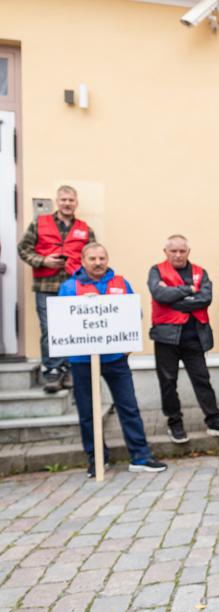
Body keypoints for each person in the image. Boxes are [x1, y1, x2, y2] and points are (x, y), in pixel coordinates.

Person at [58, 243, 167, 478]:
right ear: (83, 261)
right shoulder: (69, 287)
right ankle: (96, 459)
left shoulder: (120, 283)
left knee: (128, 406)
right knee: (87, 411)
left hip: (115, 357)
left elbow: (134, 313)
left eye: (102, 258)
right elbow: (61, 320)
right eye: (92, 259)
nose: (98, 263)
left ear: (107, 259)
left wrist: (128, 343)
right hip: (82, 360)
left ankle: (140, 456)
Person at [148, 235, 219, 444]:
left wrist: (174, 299)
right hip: (166, 338)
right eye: (173, 251)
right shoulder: (156, 271)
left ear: (188, 251)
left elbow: (205, 298)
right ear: (165, 252)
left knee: (202, 380)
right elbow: (159, 295)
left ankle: (214, 420)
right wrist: (188, 291)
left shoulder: (199, 271)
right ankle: (175, 422)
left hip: (194, 337)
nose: (178, 255)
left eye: (182, 251)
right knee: (168, 383)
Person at [17, 185, 96, 392]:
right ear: (57, 201)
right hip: (47, 285)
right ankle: (53, 371)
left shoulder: (85, 229)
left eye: (71, 200)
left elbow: (93, 255)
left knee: (74, 328)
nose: (67, 203)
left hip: (74, 286)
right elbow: (23, 249)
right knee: (50, 329)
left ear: (76, 203)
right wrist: (43, 260)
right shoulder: (39, 223)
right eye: (63, 200)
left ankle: (69, 369)